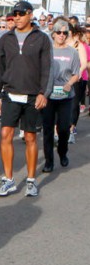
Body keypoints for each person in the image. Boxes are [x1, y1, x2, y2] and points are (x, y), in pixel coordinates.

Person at [0, 1, 52, 197]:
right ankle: (8, 179)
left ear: (30, 15)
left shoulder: (42, 38)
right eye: (14, 14)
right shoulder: (5, 38)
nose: (16, 17)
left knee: (30, 137)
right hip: (10, 94)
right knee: (5, 135)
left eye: (20, 14)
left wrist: (44, 93)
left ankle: (31, 180)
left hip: (33, 96)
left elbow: (47, 68)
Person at [41, 20, 80, 173]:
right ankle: (49, 161)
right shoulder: (47, 51)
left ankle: (62, 152)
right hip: (49, 95)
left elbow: (76, 74)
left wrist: (70, 83)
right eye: (59, 32)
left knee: (64, 128)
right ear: (53, 34)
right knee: (48, 129)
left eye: (65, 33)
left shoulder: (72, 52)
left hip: (66, 95)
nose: (62, 35)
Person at [68, 25, 89, 140]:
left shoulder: (81, 46)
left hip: (79, 78)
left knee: (74, 103)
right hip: (63, 78)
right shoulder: (61, 44)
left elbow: (85, 63)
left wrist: (79, 73)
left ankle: (71, 127)